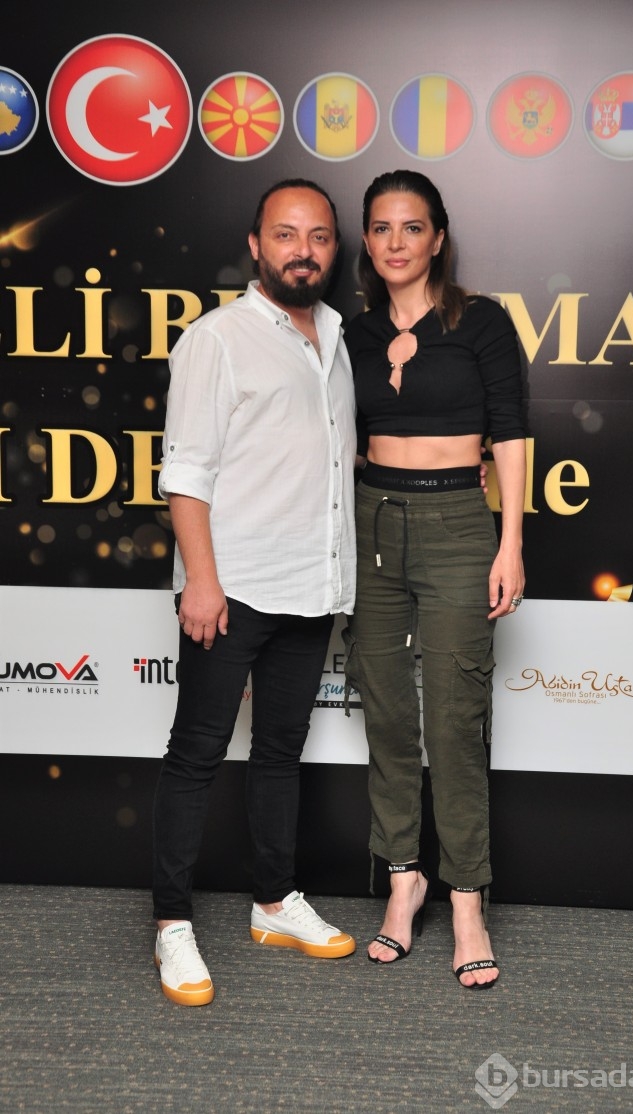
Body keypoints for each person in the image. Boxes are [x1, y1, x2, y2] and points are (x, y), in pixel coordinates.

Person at [152, 179, 358, 1006]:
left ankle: (273, 903)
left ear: (332, 248)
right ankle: (171, 925)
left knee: (279, 753)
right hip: (231, 589)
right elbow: (186, 472)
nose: (302, 250)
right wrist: (201, 582)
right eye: (285, 234)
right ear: (256, 245)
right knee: (196, 755)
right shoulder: (219, 339)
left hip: (310, 586)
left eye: (318, 236)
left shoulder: (336, 337)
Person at [343, 170, 526, 989]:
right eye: (381, 228)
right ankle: (402, 880)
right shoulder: (353, 334)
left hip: (458, 523)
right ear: (367, 240)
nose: (396, 242)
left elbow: (511, 432)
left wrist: (509, 541)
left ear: (438, 237)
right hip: (372, 522)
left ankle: (465, 900)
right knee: (386, 712)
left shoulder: (480, 321)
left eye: (411, 227)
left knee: (455, 720)